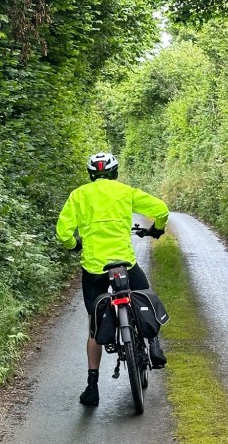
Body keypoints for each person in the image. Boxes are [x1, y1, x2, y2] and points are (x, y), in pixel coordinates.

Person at [56, 151, 169, 407]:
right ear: (115, 173)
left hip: (95, 268)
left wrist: (74, 245)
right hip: (124, 264)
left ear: (90, 175)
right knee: (145, 297)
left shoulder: (79, 195)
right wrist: (157, 229)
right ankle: (153, 345)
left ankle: (92, 386)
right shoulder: (126, 192)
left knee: (94, 324)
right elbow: (161, 209)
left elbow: (63, 232)